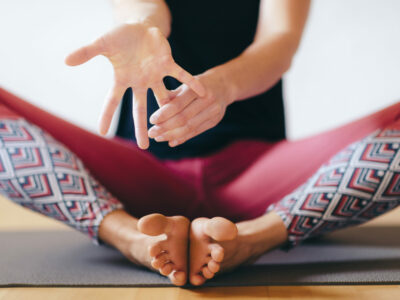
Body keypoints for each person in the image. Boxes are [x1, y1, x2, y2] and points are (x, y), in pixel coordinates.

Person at [1, 0, 399, 287]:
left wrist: (222, 86)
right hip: (140, 176)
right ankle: (129, 235)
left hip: (261, 180)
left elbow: (279, 41)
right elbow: (143, 9)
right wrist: (143, 27)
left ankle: (256, 236)